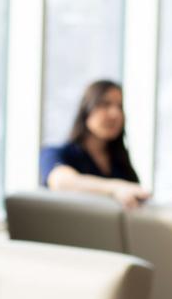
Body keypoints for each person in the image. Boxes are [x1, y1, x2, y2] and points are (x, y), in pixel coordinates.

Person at [40, 79, 150, 208]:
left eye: (119, 106)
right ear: (86, 109)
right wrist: (116, 188)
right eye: (105, 104)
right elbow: (61, 182)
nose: (115, 114)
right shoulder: (55, 153)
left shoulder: (120, 163)